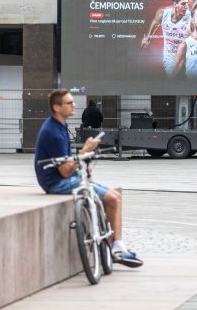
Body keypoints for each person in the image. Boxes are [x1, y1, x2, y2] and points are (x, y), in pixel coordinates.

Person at [33, 89, 142, 267]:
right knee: (114, 199)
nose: (74, 105)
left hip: (60, 178)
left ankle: (113, 241)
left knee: (113, 195)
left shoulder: (59, 126)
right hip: (57, 182)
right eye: (69, 103)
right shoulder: (53, 132)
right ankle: (117, 247)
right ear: (56, 107)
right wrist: (85, 150)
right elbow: (65, 172)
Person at [140, 0, 191, 76]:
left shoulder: (190, 16)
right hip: (170, 56)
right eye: (183, 4)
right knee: (174, 78)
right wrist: (147, 38)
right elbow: (155, 23)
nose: (186, 6)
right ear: (175, 4)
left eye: (187, 3)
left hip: (186, 55)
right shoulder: (163, 13)